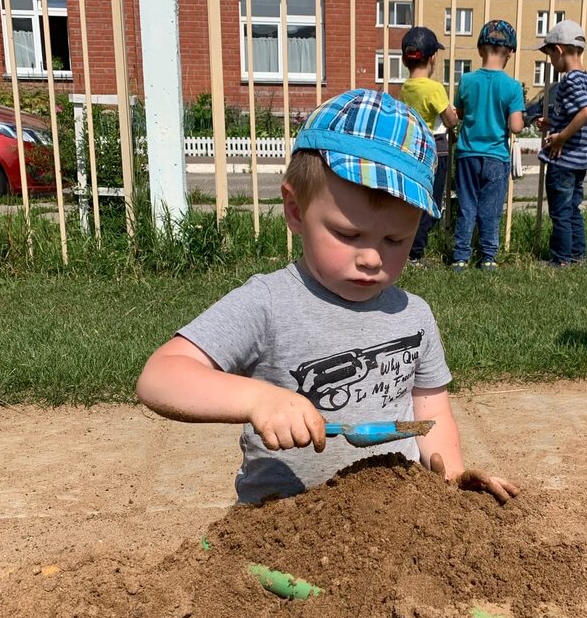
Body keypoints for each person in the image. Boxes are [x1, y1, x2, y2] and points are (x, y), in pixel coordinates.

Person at [137, 88, 519, 504]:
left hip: (397, 521)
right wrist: (257, 399)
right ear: (296, 210)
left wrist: (453, 473)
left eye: (396, 239)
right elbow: (161, 376)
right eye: (346, 234)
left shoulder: (414, 316)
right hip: (280, 526)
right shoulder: (269, 304)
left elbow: (430, 415)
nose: (372, 257)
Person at [451, 19, 525, 271]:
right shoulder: (512, 86)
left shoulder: (467, 81)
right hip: (496, 157)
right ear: (510, 53)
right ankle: (488, 257)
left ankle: (460, 257)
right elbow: (515, 126)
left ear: (480, 49)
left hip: (467, 154)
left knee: (466, 206)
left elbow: (459, 113)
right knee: (490, 210)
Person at [536, 20, 587, 268]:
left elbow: (586, 112)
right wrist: (553, 123)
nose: (551, 62)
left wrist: (560, 138)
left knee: (560, 212)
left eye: (550, 55)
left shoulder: (569, 80)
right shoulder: (586, 79)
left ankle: (560, 259)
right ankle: (577, 256)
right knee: (573, 209)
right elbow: (576, 114)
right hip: (580, 160)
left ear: (559, 50)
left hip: (564, 160)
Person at [398, 26, 458, 264]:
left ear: (405, 60)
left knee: (413, 200)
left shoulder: (406, 87)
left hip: (413, 148)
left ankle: (405, 246)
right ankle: (415, 252)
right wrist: (453, 117)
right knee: (431, 203)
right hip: (436, 149)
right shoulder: (434, 88)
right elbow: (450, 119)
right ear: (433, 57)